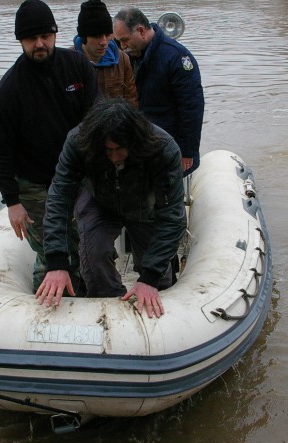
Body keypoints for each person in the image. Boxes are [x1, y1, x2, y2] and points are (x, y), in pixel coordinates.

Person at [35, 98, 187, 319]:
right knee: (93, 258)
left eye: (120, 149)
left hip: (145, 205)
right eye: (108, 150)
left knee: (158, 273)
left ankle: (157, 304)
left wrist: (150, 277)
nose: (114, 157)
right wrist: (56, 260)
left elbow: (172, 214)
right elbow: (59, 197)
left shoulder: (163, 148)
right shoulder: (78, 142)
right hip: (99, 199)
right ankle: (108, 306)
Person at [0, 0, 98, 292]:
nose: (39, 44)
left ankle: (86, 297)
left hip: (79, 175)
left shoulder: (78, 67)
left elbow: (96, 120)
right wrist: (12, 201)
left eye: (45, 36)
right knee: (53, 252)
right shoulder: (9, 90)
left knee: (86, 243)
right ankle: (44, 311)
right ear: (20, 41)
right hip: (35, 185)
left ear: (55, 35)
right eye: (30, 38)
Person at [112, 7, 205, 175]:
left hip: (169, 145)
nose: (123, 46)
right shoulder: (128, 56)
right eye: (119, 42)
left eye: (125, 40)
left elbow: (191, 108)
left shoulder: (176, 57)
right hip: (140, 145)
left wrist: (187, 151)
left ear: (141, 31)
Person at [73, 0, 138, 107]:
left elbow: (132, 101)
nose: (103, 42)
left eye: (107, 35)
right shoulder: (68, 63)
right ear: (84, 37)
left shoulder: (122, 59)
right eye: (97, 36)